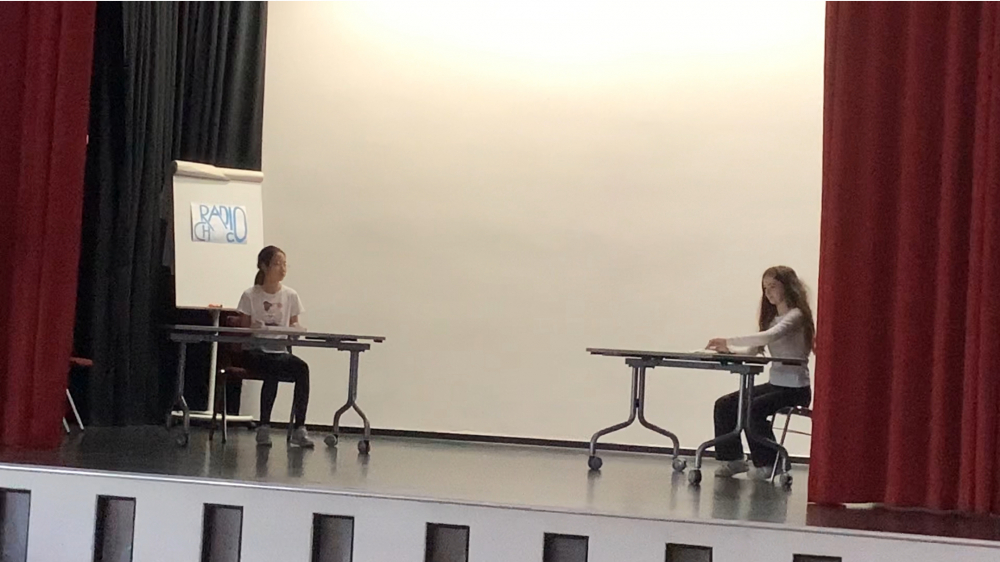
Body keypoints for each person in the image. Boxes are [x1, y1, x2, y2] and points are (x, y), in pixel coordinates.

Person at [706, 265, 814, 479]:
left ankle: (770, 462)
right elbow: (753, 350)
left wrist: (729, 340)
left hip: (795, 389)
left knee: (753, 409)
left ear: (788, 287)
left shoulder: (796, 316)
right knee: (725, 404)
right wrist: (729, 351)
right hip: (776, 385)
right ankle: (733, 459)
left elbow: (769, 337)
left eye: (773, 286)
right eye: (765, 288)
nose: (768, 293)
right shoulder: (771, 320)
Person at [236, 245, 314, 448]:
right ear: (264, 266)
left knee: (302, 368)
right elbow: (242, 330)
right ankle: (264, 426)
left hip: (279, 351)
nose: (283, 268)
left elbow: (294, 325)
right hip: (255, 351)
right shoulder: (250, 295)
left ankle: (300, 427)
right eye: (278, 264)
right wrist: (252, 328)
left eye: (285, 264)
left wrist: (296, 329)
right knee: (272, 366)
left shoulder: (290, 295)